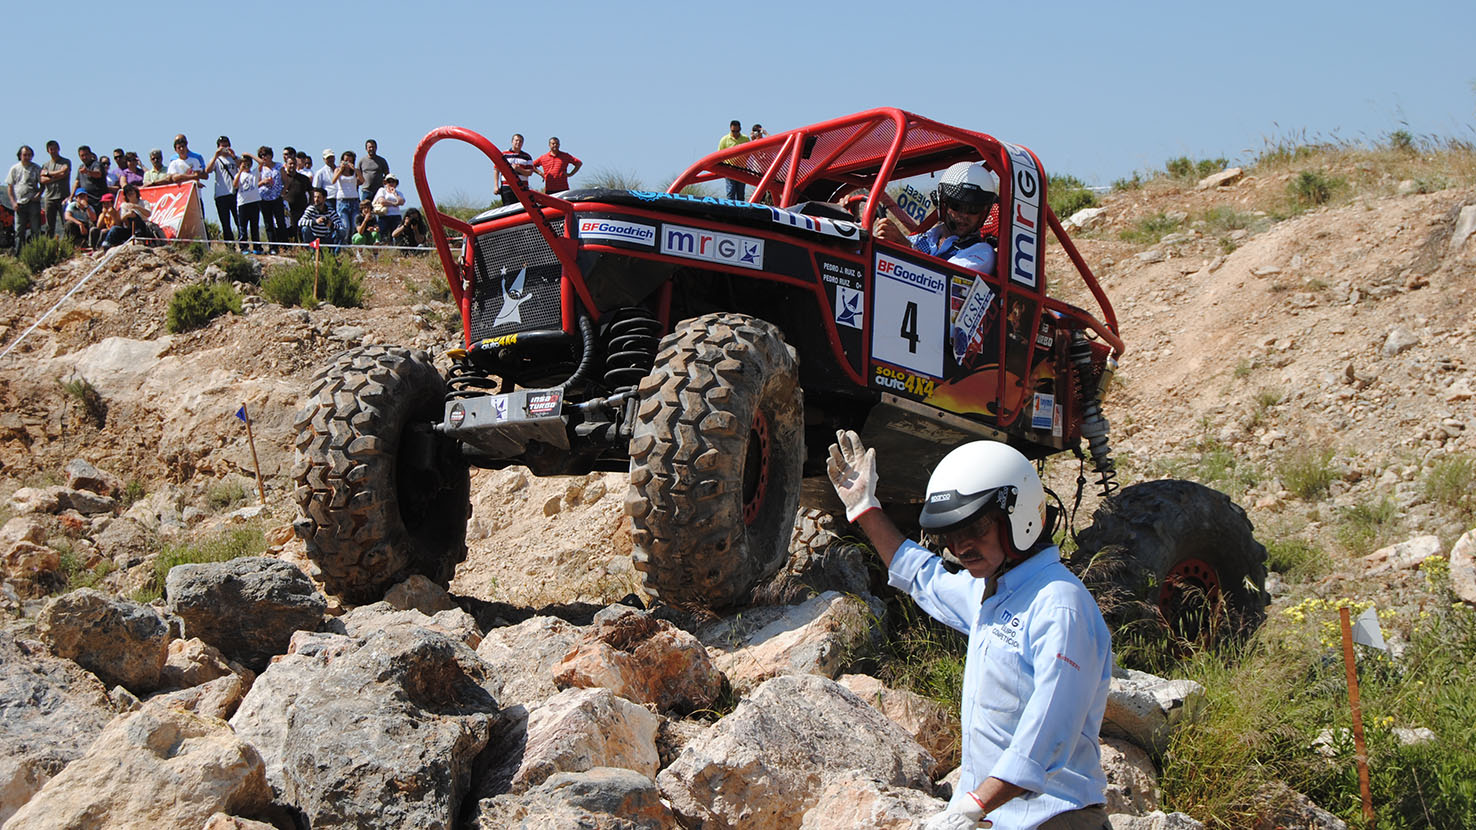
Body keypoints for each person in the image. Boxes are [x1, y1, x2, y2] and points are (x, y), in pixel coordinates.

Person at [826, 432, 1112, 830]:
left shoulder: (1059, 606)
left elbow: (1046, 735)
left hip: (1053, 816)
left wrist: (972, 806)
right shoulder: (990, 592)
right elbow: (923, 576)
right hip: (993, 815)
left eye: (974, 529)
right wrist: (864, 507)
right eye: (952, 534)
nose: (960, 547)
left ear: (1017, 515)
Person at [874, 160, 998, 275]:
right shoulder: (921, 239)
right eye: (957, 206)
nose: (964, 215)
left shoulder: (982, 253)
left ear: (983, 214)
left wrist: (906, 248)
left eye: (973, 209)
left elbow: (941, 279)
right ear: (943, 205)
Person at [6, 146, 44, 255]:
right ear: (20, 156)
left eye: (29, 155)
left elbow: (43, 184)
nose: (27, 157)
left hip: (33, 202)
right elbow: (10, 187)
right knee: (19, 230)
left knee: (35, 229)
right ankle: (18, 255)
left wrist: (39, 194)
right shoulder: (15, 168)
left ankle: (36, 254)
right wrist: (13, 202)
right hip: (19, 203)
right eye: (24, 155)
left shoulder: (36, 168)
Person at [204, 136, 240, 249]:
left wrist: (233, 156)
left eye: (226, 144)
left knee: (239, 221)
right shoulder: (216, 160)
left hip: (235, 193)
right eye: (222, 145)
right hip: (221, 195)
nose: (224, 147)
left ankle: (243, 245)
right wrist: (216, 155)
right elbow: (207, 170)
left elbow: (243, 166)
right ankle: (230, 247)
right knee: (225, 223)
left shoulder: (234, 158)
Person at [255, 146, 286, 254]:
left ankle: (284, 245)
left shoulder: (279, 166)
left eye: (266, 154)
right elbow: (255, 184)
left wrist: (282, 193)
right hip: (264, 198)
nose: (264, 157)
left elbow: (285, 181)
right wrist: (263, 182)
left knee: (281, 221)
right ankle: (273, 246)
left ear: (271, 155)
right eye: (261, 155)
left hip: (277, 197)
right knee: (268, 223)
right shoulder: (260, 169)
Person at [40, 141, 71, 237]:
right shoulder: (45, 165)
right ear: (48, 151)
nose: (53, 151)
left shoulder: (65, 161)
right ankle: (49, 245)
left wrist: (48, 174)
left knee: (66, 223)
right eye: (51, 149)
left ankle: (67, 244)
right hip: (49, 197)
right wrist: (57, 175)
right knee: (49, 225)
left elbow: (64, 171)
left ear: (59, 149)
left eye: (55, 148)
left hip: (63, 196)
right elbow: (42, 179)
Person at [331, 149, 363, 238]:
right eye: (345, 161)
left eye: (350, 161)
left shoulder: (355, 171)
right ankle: (344, 245)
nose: (347, 163)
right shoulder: (337, 170)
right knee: (345, 226)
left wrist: (355, 170)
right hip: (342, 200)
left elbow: (362, 181)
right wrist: (341, 170)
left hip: (354, 200)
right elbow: (333, 181)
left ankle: (352, 244)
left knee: (354, 225)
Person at [233, 153, 262, 253]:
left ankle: (257, 247)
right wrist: (241, 170)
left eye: (248, 163)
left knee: (254, 226)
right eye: (244, 163)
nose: (246, 165)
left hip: (254, 202)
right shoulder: (238, 175)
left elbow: (261, 162)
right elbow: (235, 185)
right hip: (243, 203)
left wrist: (249, 155)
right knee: (243, 227)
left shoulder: (254, 173)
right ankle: (244, 247)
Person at [282, 151, 311, 243]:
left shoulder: (304, 178)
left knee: (302, 230)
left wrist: (310, 204)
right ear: (286, 165)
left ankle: (303, 247)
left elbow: (311, 192)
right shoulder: (282, 178)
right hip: (287, 209)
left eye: (294, 164)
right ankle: (291, 247)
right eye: (290, 164)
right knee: (290, 230)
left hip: (301, 208)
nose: (292, 166)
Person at [498, 133, 534, 206]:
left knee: (522, 208)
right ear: (512, 142)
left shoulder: (527, 156)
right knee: (508, 208)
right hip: (507, 186)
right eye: (516, 140)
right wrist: (496, 186)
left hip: (522, 187)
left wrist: (519, 169)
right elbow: (496, 169)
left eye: (520, 141)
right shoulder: (504, 154)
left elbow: (530, 172)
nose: (518, 143)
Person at [717, 120, 750, 200]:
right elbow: (719, 155)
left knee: (741, 194)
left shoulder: (745, 139)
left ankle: (741, 211)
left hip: (742, 170)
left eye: (737, 131)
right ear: (730, 129)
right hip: (730, 170)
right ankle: (729, 211)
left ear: (740, 129)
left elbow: (749, 153)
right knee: (731, 192)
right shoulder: (724, 140)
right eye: (733, 131)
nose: (735, 133)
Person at [372, 173, 405, 241]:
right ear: (385, 182)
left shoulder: (399, 193)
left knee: (397, 235)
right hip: (385, 215)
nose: (391, 183)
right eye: (389, 181)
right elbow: (382, 201)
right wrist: (394, 203)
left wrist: (395, 194)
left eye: (393, 181)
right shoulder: (382, 190)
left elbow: (401, 202)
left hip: (396, 216)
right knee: (382, 234)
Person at [358, 138, 389, 207]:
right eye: (369, 147)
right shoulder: (362, 161)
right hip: (366, 191)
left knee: (379, 210)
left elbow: (387, 174)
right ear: (366, 148)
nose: (371, 149)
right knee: (364, 209)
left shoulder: (382, 160)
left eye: (373, 147)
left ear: (376, 148)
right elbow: (358, 175)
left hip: (378, 191)